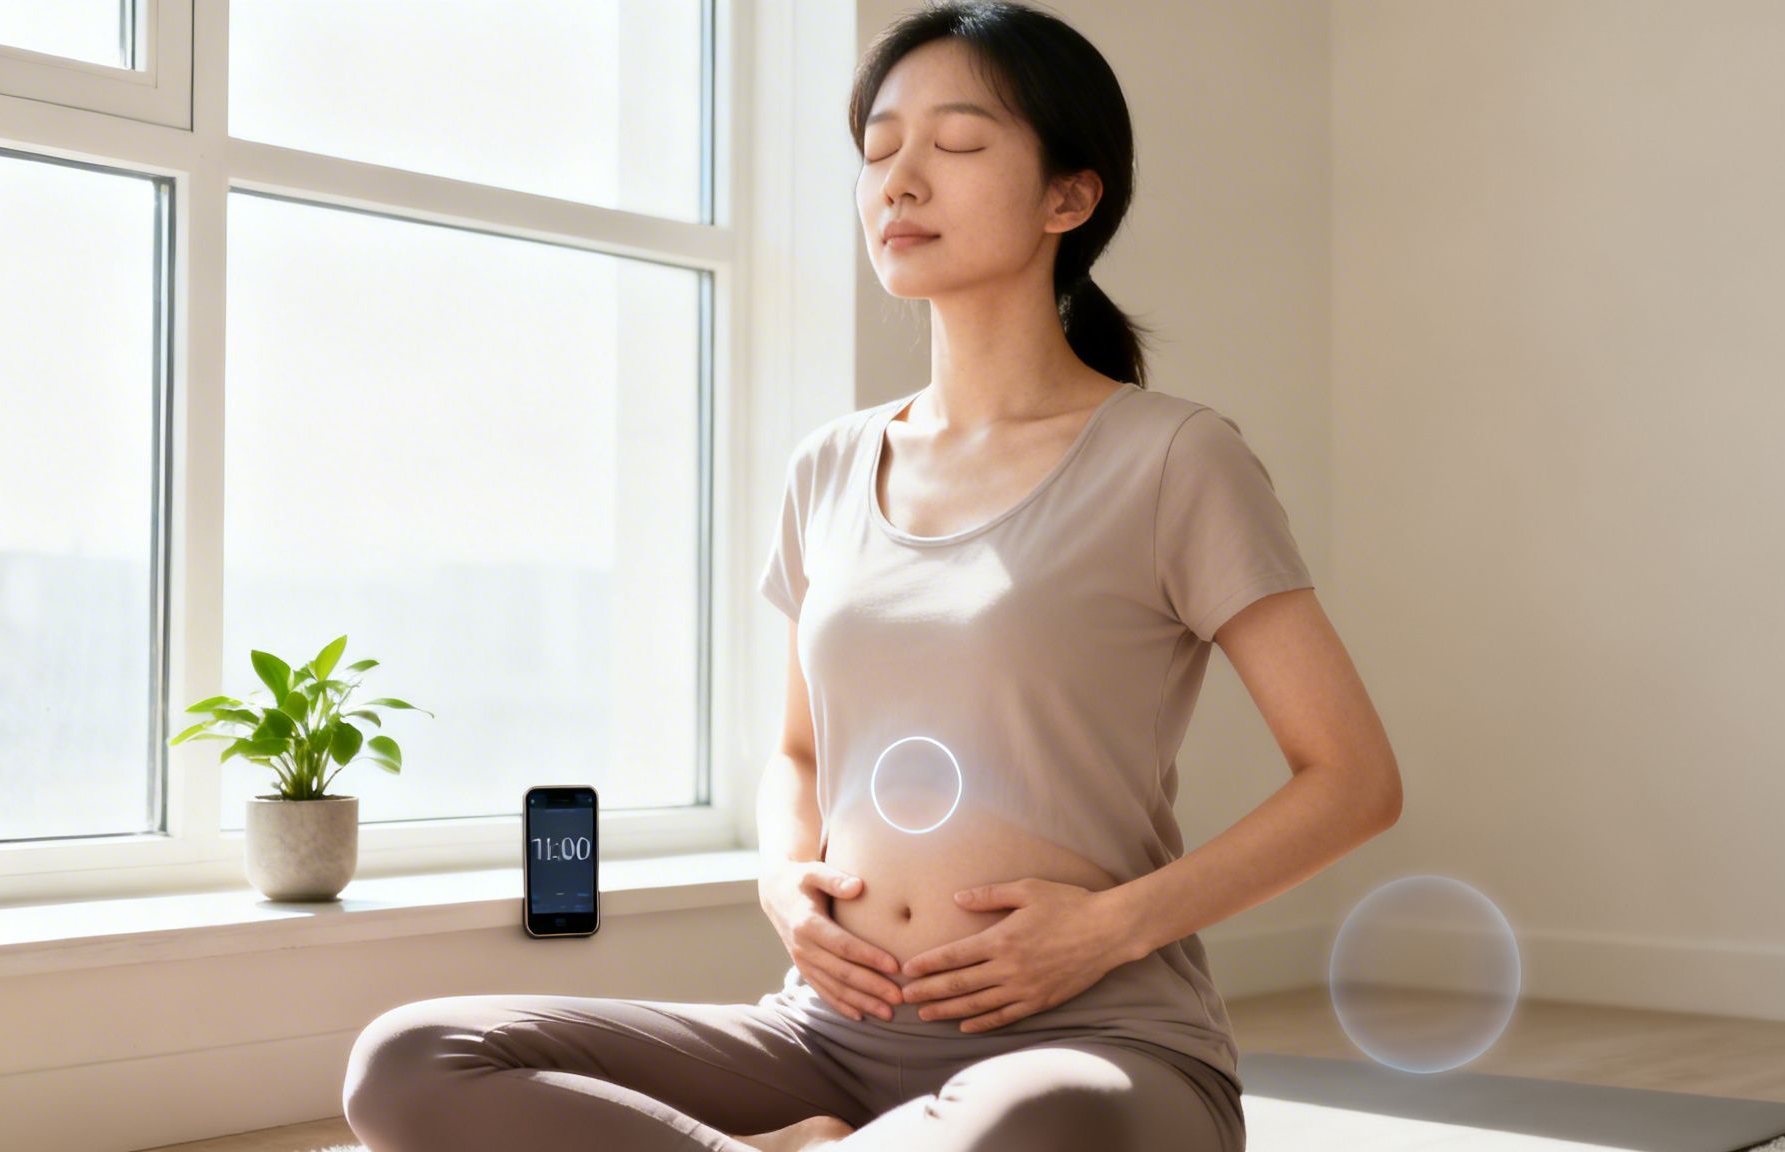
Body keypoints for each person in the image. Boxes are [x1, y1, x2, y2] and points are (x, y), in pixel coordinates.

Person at [340, 3, 1401, 1150]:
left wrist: (1104, 930)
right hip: (828, 1038)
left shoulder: (1171, 458)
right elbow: (797, 758)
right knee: (409, 1061)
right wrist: (781, 883)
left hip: (1092, 1048)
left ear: (1067, 198)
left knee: (1021, 1125)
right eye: (877, 148)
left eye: (952, 145)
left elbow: (1350, 779)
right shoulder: (830, 467)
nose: (897, 181)